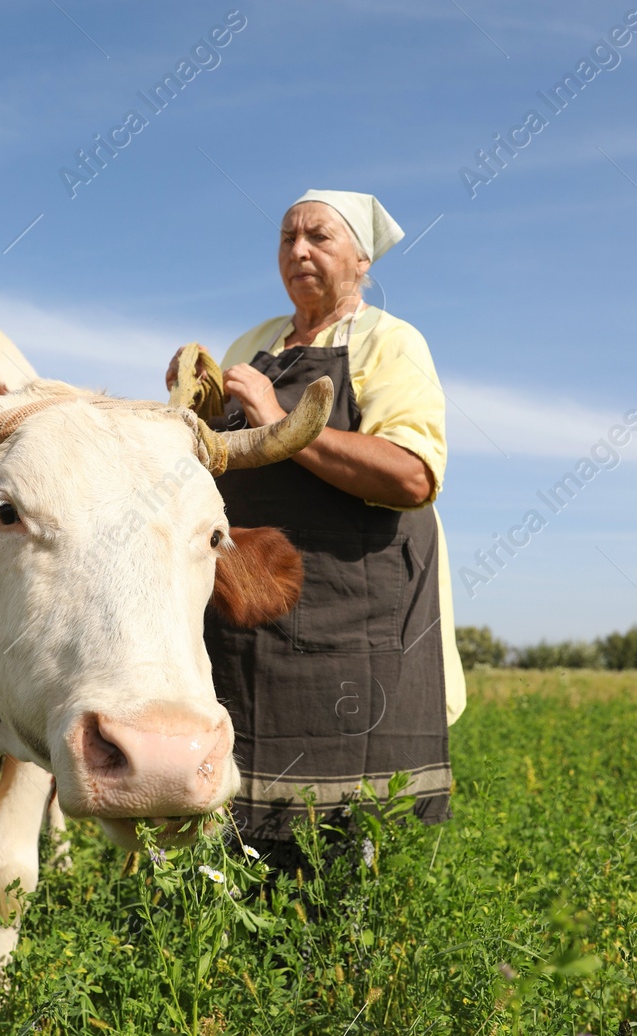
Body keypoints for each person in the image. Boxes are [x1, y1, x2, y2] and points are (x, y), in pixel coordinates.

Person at [167, 189, 466, 866]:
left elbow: (413, 476)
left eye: (318, 237)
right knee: (237, 835)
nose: (298, 249)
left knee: (345, 845)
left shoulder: (390, 342)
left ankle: (343, 959)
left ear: (361, 260)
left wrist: (278, 417)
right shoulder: (255, 342)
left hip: (353, 618)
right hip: (252, 614)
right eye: (286, 236)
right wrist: (193, 406)